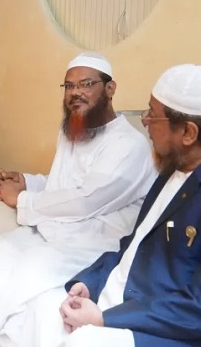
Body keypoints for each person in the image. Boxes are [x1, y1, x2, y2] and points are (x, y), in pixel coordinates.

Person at [0, 52, 157, 347]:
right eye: (69, 86)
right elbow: (61, 185)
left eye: (86, 84)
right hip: (56, 230)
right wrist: (25, 181)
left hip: (97, 240)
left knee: (30, 271)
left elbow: (86, 200)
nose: (75, 92)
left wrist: (22, 199)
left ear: (110, 88)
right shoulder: (71, 130)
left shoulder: (129, 145)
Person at [59, 64, 201, 347]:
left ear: (187, 132)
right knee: (45, 313)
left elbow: (194, 310)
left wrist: (105, 319)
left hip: (161, 328)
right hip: (122, 301)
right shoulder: (169, 173)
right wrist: (89, 283)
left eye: (153, 114)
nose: (145, 121)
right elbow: (133, 246)